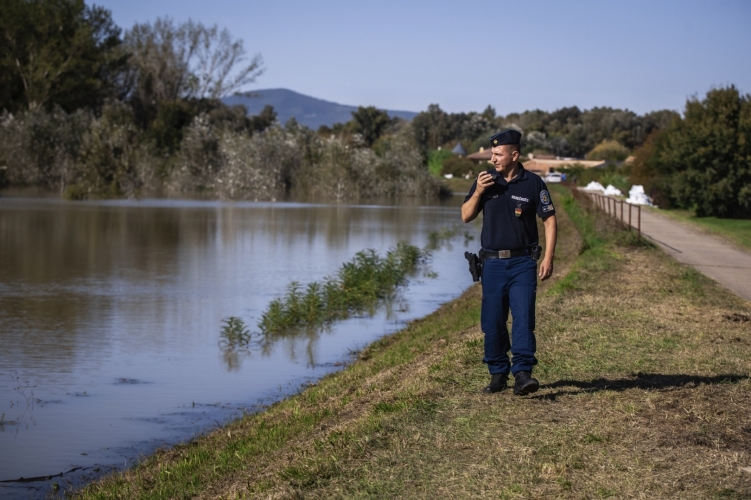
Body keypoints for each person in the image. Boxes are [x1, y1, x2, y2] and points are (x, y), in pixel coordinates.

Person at [461, 129, 557, 396]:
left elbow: (549, 220)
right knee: (492, 321)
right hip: (492, 264)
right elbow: (466, 215)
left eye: (498, 154)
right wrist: (479, 191)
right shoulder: (485, 181)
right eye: (492, 154)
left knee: (523, 318)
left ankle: (523, 373)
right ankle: (498, 374)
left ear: (514, 155)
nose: (492, 158)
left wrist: (548, 257)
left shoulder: (533, 183)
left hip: (522, 263)